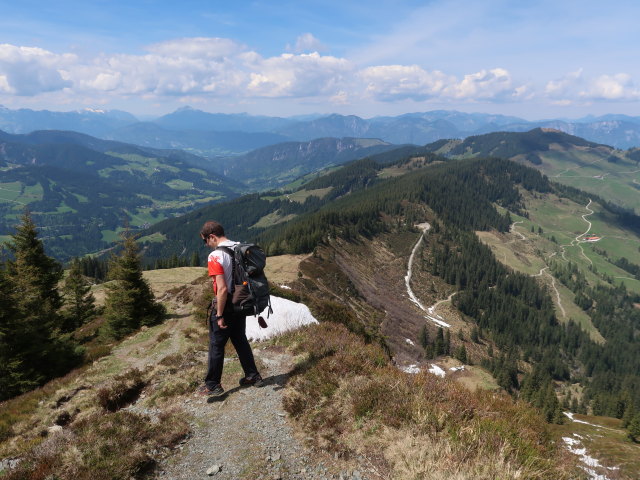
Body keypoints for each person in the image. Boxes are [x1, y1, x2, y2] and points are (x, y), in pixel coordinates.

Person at [198, 221, 263, 397]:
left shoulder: (215, 256)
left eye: (205, 241)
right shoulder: (239, 247)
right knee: (240, 340)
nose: (206, 245)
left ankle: (212, 384)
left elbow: (222, 289)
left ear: (212, 237)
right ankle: (253, 375)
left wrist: (219, 314)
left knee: (216, 345)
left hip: (226, 305)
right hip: (241, 302)